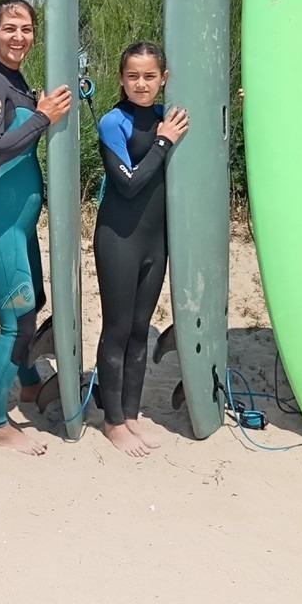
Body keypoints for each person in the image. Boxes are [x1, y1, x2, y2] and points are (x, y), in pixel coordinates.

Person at [0, 0, 72, 454]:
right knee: (17, 323)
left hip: (19, 224)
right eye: (10, 28)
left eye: (26, 29)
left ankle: (28, 382)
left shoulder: (15, 80)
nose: (19, 37)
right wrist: (44, 116)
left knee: (34, 303)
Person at [93, 42, 187, 458]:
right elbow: (127, 184)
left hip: (155, 239)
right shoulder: (113, 122)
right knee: (116, 330)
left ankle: (130, 415)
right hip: (119, 237)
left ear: (163, 77)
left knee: (139, 329)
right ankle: (112, 421)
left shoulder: (171, 116)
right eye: (133, 76)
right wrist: (163, 143)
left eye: (150, 76)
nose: (141, 84)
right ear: (121, 78)